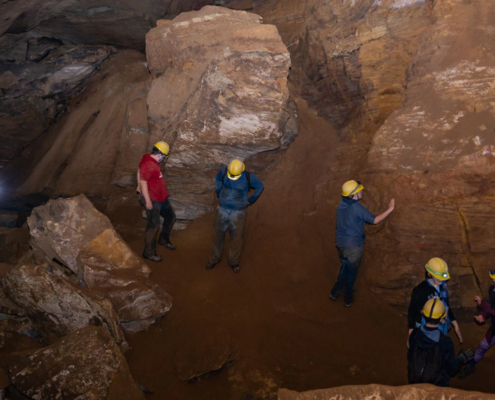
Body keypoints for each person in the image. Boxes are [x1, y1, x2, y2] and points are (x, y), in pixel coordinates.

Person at [329, 180, 395, 307]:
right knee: (351, 274)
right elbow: (375, 220)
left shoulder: (342, 203)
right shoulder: (356, 207)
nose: (362, 191)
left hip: (340, 244)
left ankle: (335, 292)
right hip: (352, 247)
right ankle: (348, 299)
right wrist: (390, 209)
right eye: (359, 190)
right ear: (354, 194)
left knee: (345, 267)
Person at [205, 159, 264, 273]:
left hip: (238, 213)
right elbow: (218, 178)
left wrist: (250, 200)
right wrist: (219, 191)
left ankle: (233, 262)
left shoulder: (248, 177)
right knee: (217, 235)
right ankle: (214, 259)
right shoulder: (225, 171)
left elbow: (260, 186)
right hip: (222, 210)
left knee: (236, 238)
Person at [408, 297, 473, 386]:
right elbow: (451, 368)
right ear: (442, 319)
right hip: (436, 387)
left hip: (415, 383)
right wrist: (461, 359)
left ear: (423, 314)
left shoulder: (414, 334)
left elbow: (410, 356)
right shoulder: (445, 342)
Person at [407, 257, 463, 347]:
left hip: (442, 328)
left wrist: (455, 324)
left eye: (443, 278)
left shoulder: (443, 287)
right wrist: (411, 333)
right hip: (426, 330)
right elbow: (412, 312)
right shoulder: (420, 291)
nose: (441, 281)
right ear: (429, 273)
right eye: (439, 277)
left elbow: (446, 306)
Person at [138, 141, 176, 262]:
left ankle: (163, 239)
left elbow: (139, 171)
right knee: (153, 226)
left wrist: (138, 184)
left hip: (161, 198)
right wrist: (148, 201)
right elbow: (144, 181)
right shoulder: (149, 164)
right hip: (153, 200)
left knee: (170, 217)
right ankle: (148, 253)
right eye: (164, 156)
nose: (164, 159)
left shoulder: (148, 159)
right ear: (160, 155)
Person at [458, 270, 495, 378]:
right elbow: (490, 305)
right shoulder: (493, 290)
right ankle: (471, 365)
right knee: (482, 347)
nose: (493, 280)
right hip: (494, 329)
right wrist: (482, 312)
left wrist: (483, 308)